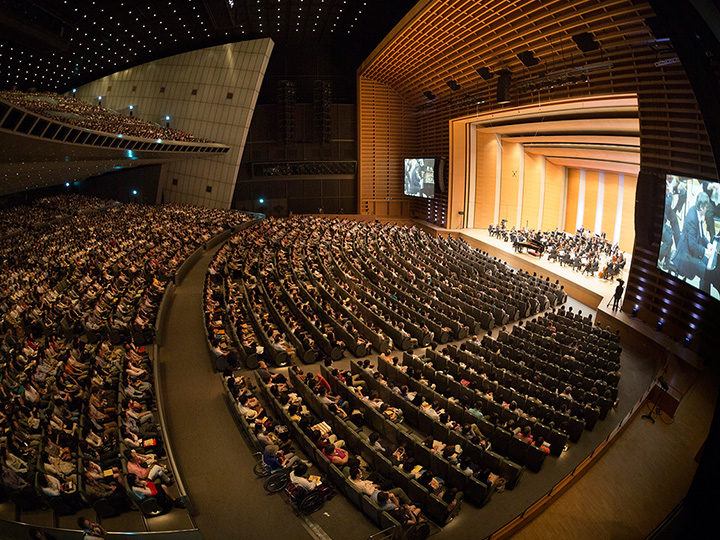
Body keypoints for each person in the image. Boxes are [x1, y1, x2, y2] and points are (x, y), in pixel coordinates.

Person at [672, 191, 717, 292]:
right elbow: (692, 246)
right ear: (702, 207)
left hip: (692, 251)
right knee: (707, 272)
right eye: (706, 207)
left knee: (709, 269)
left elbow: (701, 235)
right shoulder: (692, 218)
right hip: (686, 256)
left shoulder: (696, 211)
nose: (707, 209)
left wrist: (709, 245)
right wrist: (706, 252)